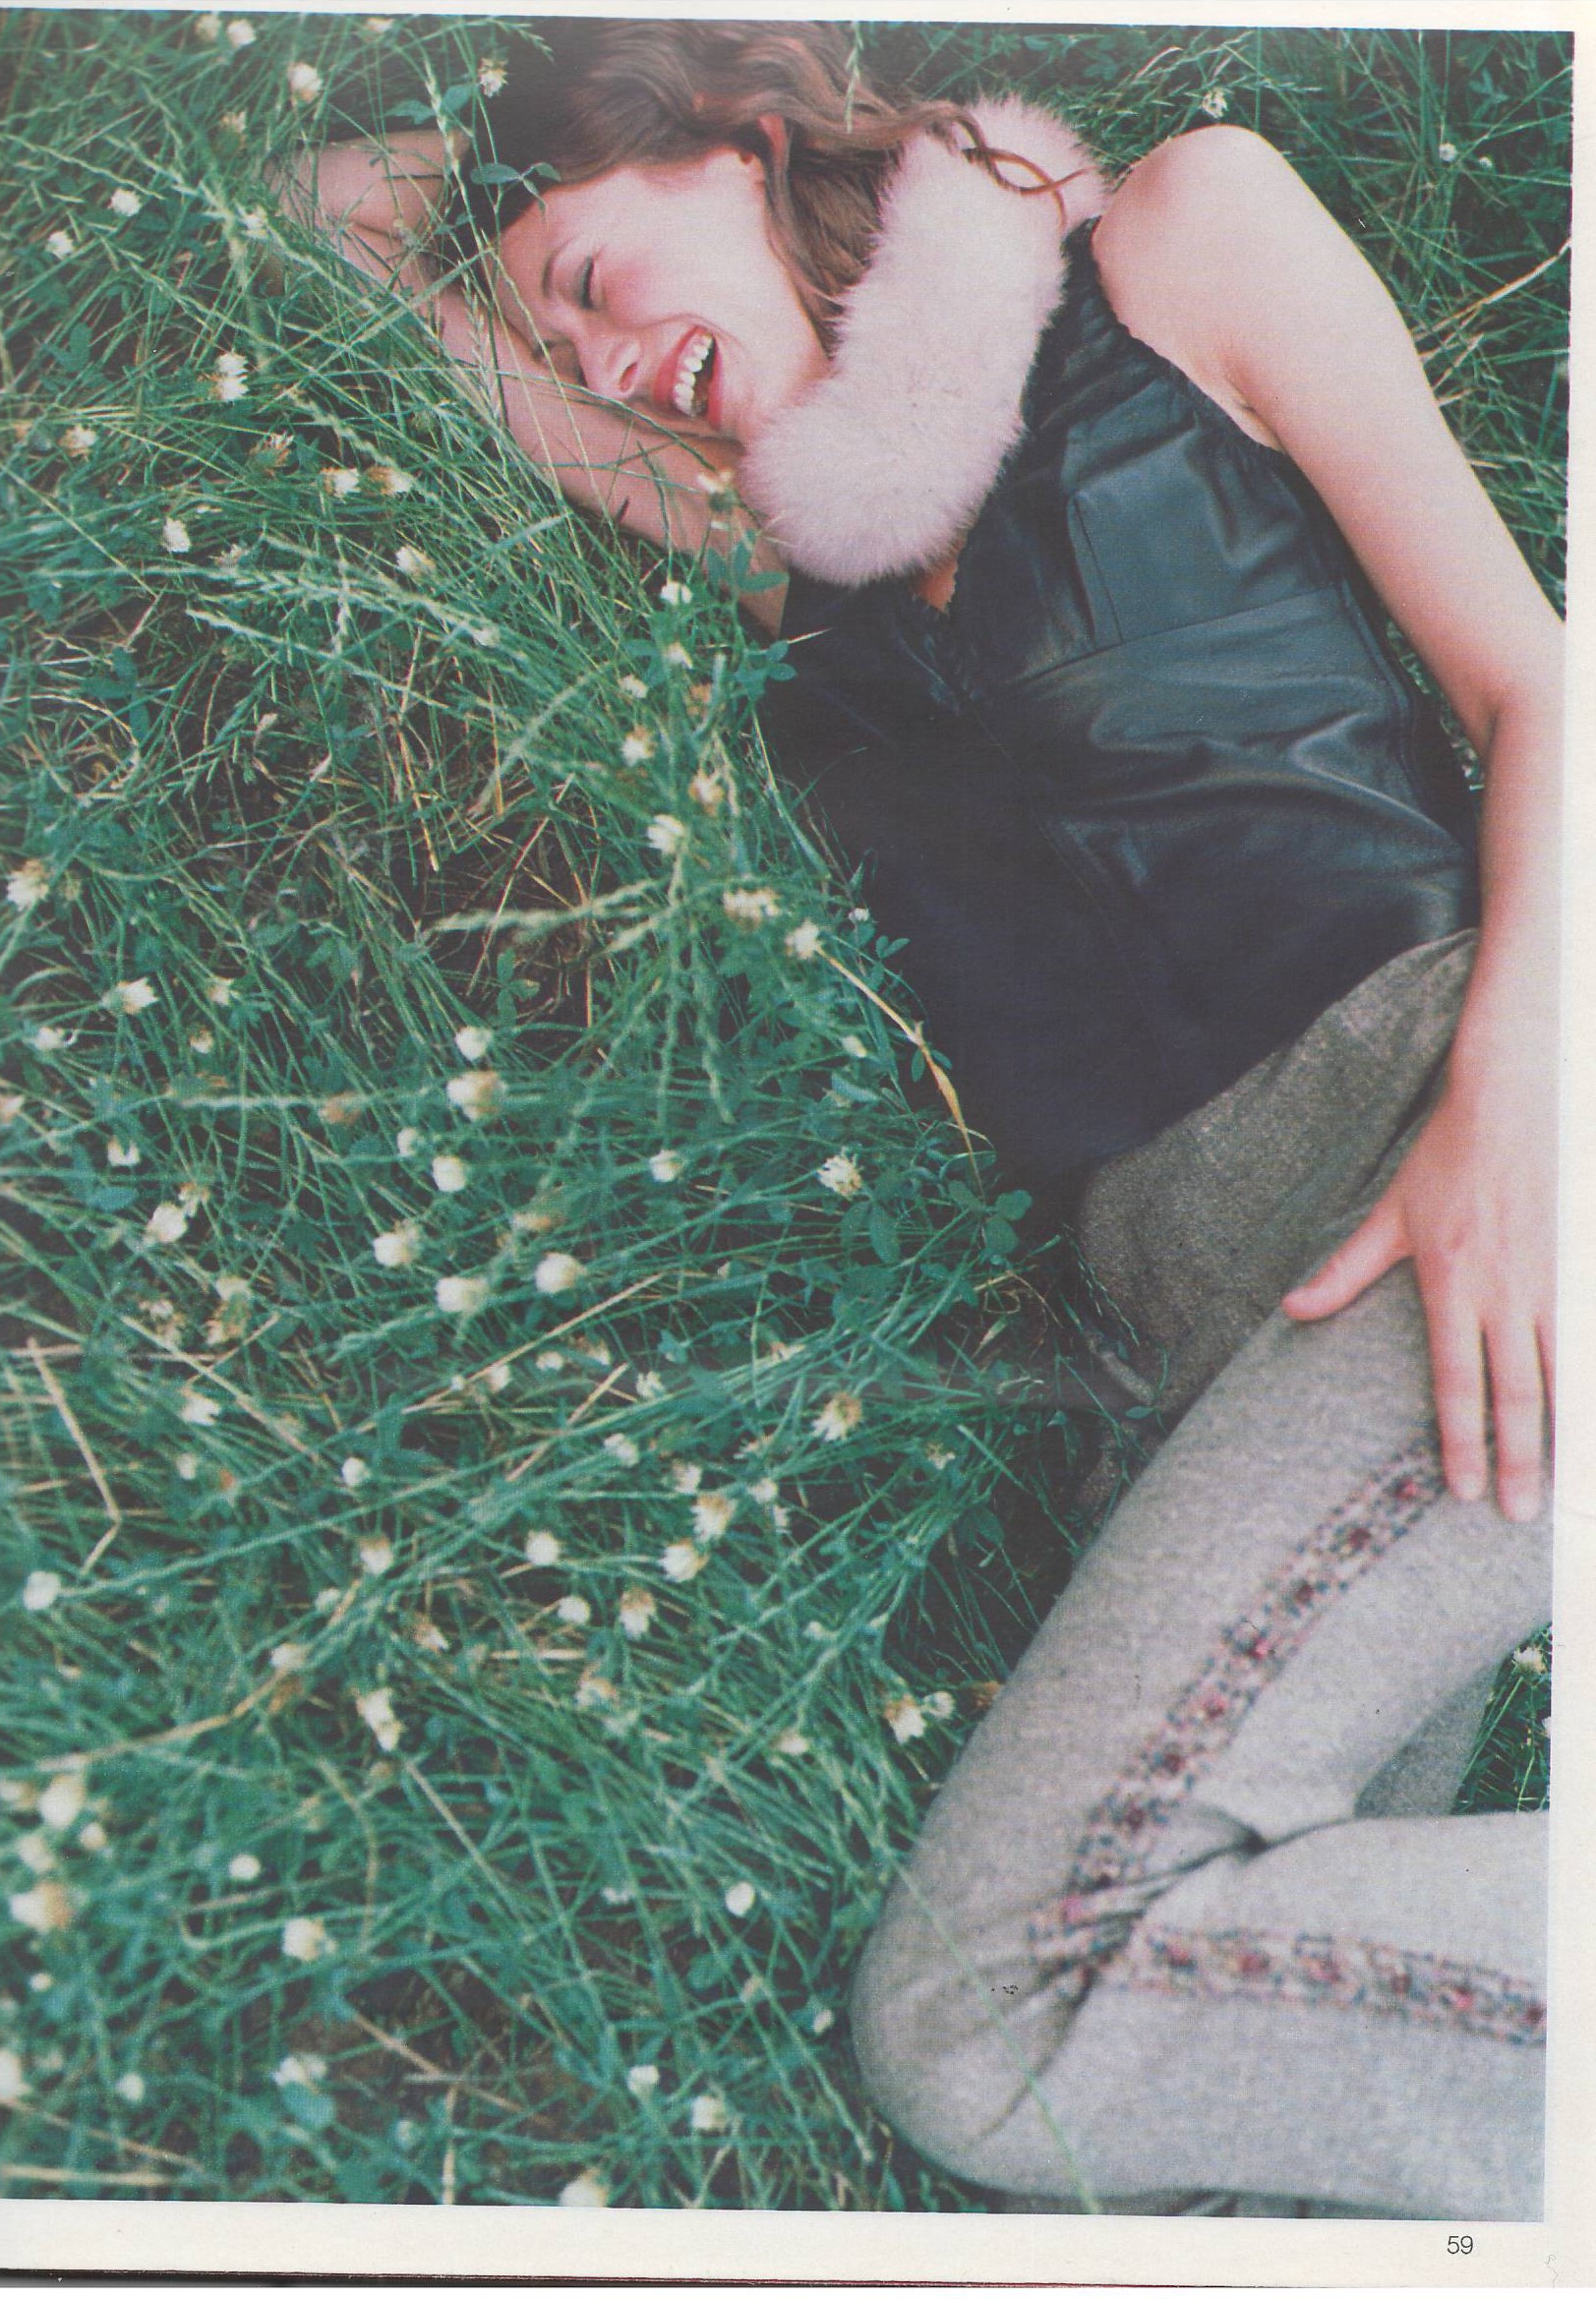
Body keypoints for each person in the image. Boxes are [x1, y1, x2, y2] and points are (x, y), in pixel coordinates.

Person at [286, 21, 1559, 2218]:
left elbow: (1545, 690)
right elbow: (329, 210)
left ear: (738, 136)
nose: (601, 360)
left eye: (592, 277)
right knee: (1234, 2129)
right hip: (1213, 1347)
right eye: (557, 350)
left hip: (1464, 1160)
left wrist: (1514, 1131)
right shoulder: (775, 537)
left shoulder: (1174, 248)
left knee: (989, 2017)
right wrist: (539, 238)